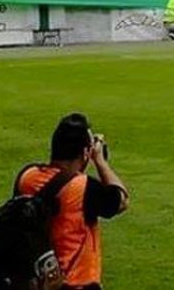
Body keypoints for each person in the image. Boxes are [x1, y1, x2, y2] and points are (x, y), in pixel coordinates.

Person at [14, 113, 129, 290]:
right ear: (85, 152)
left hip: (37, 282)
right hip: (75, 283)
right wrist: (100, 161)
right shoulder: (82, 187)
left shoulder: (27, 176)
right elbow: (121, 200)